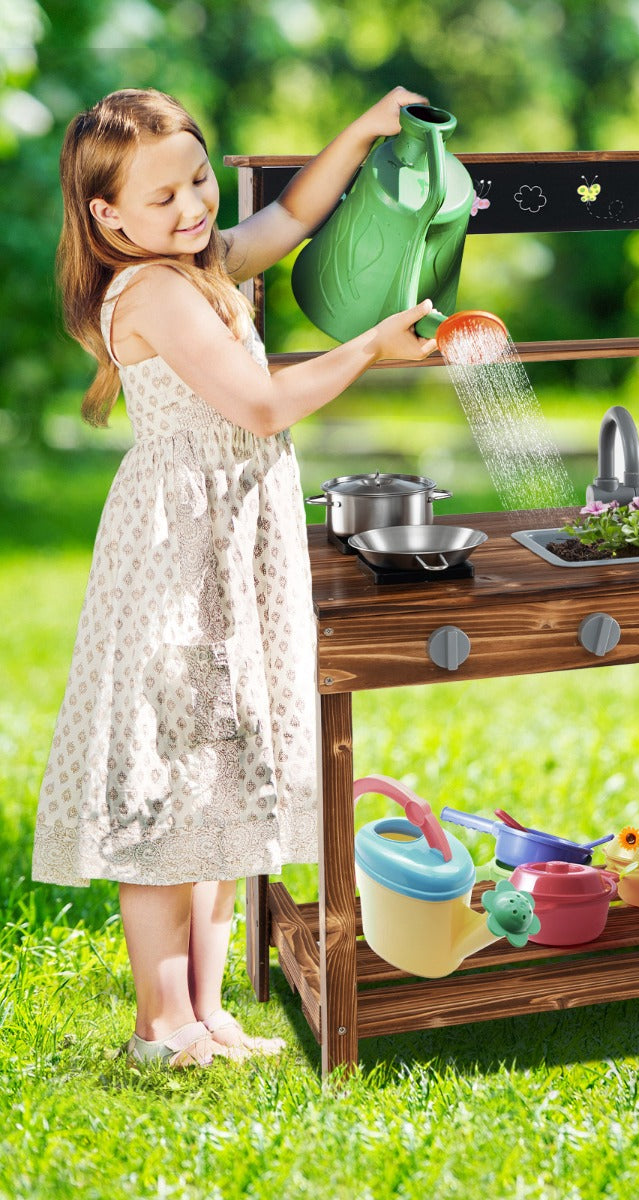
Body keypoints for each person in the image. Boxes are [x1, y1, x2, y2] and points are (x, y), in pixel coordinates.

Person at [34, 86, 439, 1067]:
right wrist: (368, 351)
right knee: (173, 791)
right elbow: (259, 404)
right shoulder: (157, 290)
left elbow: (293, 216)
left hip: (226, 548)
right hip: (177, 560)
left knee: (219, 782)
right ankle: (158, 1022)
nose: (193, 207)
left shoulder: (198, 262)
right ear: (107, 217)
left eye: (199, 180)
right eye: (163, 197)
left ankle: (209, 1014)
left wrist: (362, 131)